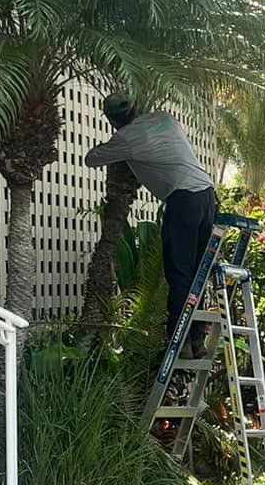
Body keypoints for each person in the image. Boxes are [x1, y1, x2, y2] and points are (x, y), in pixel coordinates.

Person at [85, 96, 217, 340]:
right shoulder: (165, 119)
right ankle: (197, 339)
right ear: (137, 109)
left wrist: (119, 147)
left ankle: (179, 341)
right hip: (208, 196)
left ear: (111, 120)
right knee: (198, 272)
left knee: (180, 271)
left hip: (183, 199)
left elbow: (92, 158)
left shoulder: (128, 138)